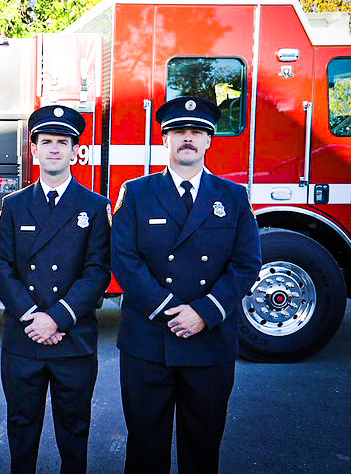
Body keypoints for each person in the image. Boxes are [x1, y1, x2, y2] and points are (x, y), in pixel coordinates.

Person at [111, 96, 262, 474]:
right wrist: (169, 311)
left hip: (209, 343)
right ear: (165, 140)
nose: (188, 138)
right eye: (179, 131)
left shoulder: (233, 196)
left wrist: (204, 313)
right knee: (145, 449)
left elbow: (247, 263)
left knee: (203, 449)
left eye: (197, 132)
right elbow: (124, 261)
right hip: (148, 341)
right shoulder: (137, 192)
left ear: (210, 141)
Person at [0, 105, 111, 473]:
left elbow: (97, 272)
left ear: (76, 151)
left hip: (72, 338)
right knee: (22, 428)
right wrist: (34, 318)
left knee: (74, 431)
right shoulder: (13, 205)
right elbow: (3, 268)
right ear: (34, 150)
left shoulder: (94, 206)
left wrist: (56, 319)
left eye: (63, 142)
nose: (55, 149)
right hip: (24, 337)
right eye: (46, 142)